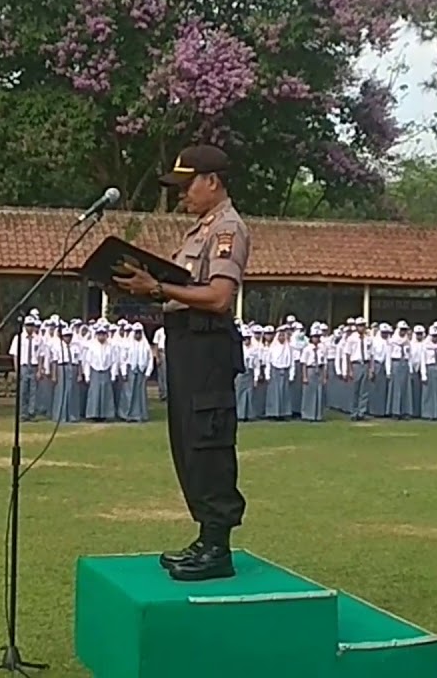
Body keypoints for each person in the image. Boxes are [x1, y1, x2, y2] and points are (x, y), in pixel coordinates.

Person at [114, 144, 249, 582]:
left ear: (212, 181)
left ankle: (218, 546)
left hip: (207, 348)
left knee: (209, 441)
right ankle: (205, 537)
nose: (181, 195)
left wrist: (158, 290)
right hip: (186, 346)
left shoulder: (227, 229)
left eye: (187, 185)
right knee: (188, 442)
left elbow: (218, 296)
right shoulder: (198, 231)